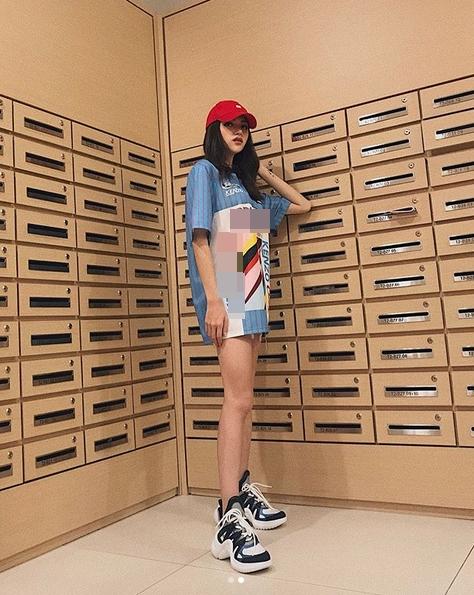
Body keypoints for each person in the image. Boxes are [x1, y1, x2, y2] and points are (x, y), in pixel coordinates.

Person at [185, 100, 311, 573]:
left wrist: (265, 172)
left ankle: (241, 488)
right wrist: (214, 301)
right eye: (230, 125)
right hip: (231, 292)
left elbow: (302, 205)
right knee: (235, 401)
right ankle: (228, 514)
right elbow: (200, 239)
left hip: (253, 294)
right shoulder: (204, 173)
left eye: (243, 127)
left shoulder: (248, 189)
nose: (238, 131)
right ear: (213, 129)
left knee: (245, 401)